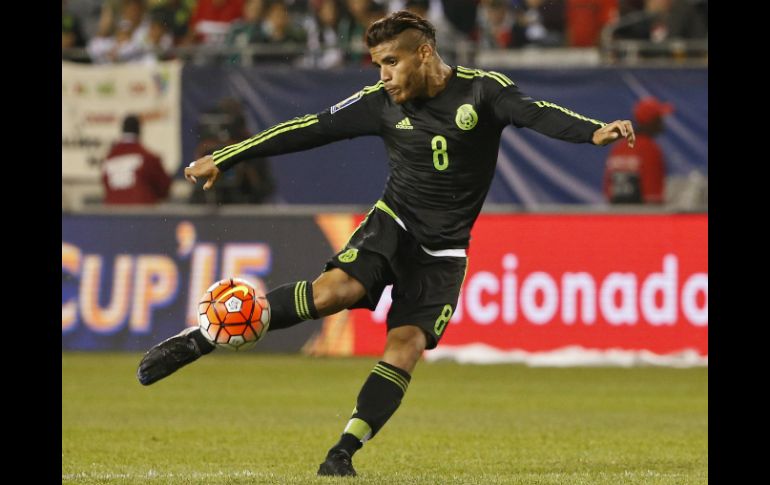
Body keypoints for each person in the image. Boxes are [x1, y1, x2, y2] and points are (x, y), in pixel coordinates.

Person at [136, 10, 635, 476]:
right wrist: (228, 155)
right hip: (393, 223)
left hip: (445, 250)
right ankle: (203, 337)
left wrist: (593, 132)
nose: (383, 76)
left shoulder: (482, 92)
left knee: (406, 344)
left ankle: (342, 452)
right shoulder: (378, 103)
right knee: (334, 293)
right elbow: (308, 128)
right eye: (378, 65)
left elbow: (534, 112)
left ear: (424, 54)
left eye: (391, 62)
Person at [603, 96, 671, 204]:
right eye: (659, 118)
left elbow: (608, 191)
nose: (662, 123)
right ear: (651, 121)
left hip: (616, 214)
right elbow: (652, 197)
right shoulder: (650, 149)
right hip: (640, 216)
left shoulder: (619, 147)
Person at [101, 114, 171, 204]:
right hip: (142, 215)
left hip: (113, 215)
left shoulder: (109, 159)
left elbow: (105, 186)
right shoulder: (148, 158)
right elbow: (164, 187)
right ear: (139, 130)